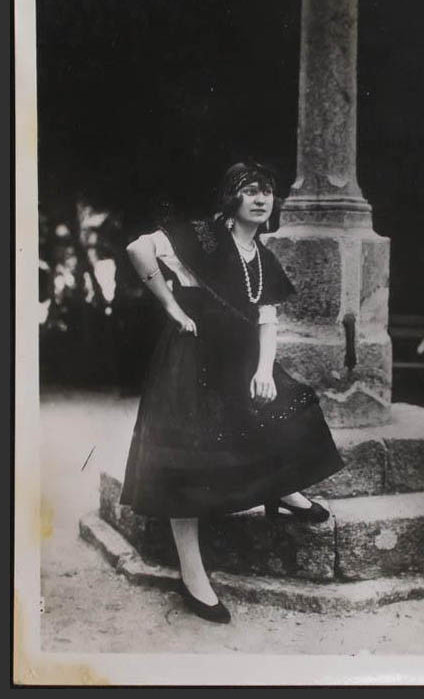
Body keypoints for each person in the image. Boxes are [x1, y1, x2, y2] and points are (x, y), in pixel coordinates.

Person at [120, 161, 344, 624]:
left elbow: (267, 322)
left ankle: (282, 491)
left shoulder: (262, 256)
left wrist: (264, 370)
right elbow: (138, 249)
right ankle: (192, 574)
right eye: (250, 190)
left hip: (239, 357)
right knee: (186, 460)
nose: (261, 199)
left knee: (291, 407)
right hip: (190, 358)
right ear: (231, 197)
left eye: (267, 192)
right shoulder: (202, 236)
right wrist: (172, 307)